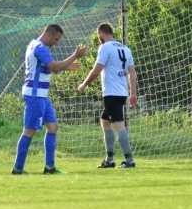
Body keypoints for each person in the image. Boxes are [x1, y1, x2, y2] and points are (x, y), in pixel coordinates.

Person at [12, 24, 89, 175]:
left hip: (42, 95)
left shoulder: (37, 46)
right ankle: (17, 169)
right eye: (56, 39)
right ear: (48, 35)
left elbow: (46, 68)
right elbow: (54, 67)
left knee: (53, 127)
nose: (56, 42)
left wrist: (67, 66)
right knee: (29, 131)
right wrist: (74, 55)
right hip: (35, 95)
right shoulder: (39, 47)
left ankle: (49, 167)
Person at [77, 23, 138, 169]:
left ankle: (129, 160)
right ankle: (109, 159)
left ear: (101, 33)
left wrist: (84, 84)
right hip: (122, 93)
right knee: (104, 121)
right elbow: (132, 72)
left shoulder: (105, 48)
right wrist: (133, 93)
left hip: (111, 93)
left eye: (99, 36)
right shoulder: (125, 49)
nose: (99, 39)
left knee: (119, 125)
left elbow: (97, 70)